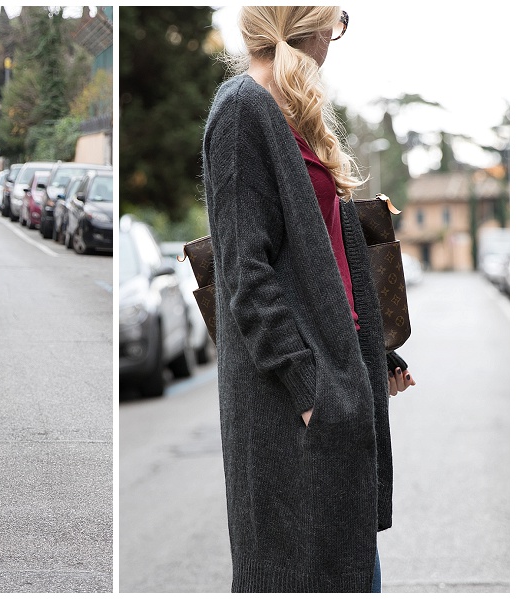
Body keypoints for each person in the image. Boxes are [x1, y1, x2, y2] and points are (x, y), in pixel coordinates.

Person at [202, 6, 415, 592]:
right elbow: (245, 270)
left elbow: (322, 264)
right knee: (301, 574)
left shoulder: (284, 112)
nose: (336, 35)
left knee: (348, 569)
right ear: (305, 23)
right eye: (336, 19)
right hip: (292, 397)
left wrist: (372, 353)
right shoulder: (242, 109)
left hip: (335, 375)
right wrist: (307, 389)